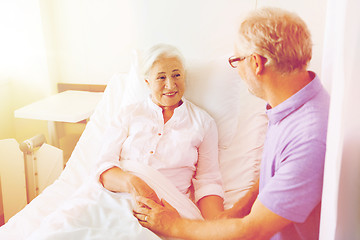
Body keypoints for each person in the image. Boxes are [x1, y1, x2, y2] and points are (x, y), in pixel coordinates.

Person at [133, 7, 330, 240]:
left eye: (237, 60)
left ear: (256, 63)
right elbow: (279, 172)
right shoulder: (291, 103)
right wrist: (238, 210)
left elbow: (252, 230)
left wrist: (172, 225)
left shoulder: (309, 137)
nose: (237, 70)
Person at [97, 43, 224, 220]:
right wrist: (134, 183)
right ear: (147, 82)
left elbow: (208, 182)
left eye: (176, 75)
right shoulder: (127, 114)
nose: (170, 85)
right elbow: (103, 168)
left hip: (168, 211)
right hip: (116, 200)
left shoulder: (203, 123)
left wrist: (217, 228)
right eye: (161, 77)